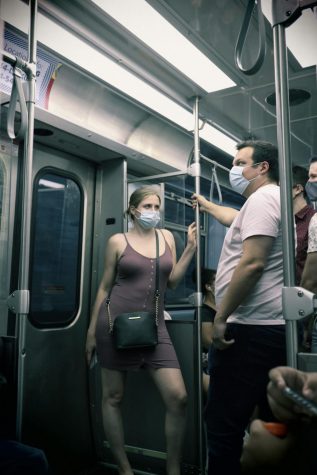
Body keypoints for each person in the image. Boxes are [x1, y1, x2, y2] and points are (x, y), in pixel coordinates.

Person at [85, 186, 196, 475]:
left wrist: (191, 250)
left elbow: (171, 283)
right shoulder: (117, 241)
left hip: (155, 328)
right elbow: (105, 287)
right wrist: (90, 333)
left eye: (157, 207)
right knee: (113, 397)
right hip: (113, 325)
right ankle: (125, 469)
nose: (154, 212)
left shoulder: (167, 237)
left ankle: (173, 469)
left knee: (178, 398)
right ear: (134, 209)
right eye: (148, 206)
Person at [202, 140, 286, 475]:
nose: (234, 170)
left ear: (262, 167)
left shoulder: (264, 198)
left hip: (249, 331)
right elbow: (234, 219)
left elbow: (252, 263)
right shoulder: (264, 202)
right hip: (262, 329)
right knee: (263, 422)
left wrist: (221, 316)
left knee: (223, 426)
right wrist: (207, 206)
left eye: (240, 163)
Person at [192, 268, 217, 395]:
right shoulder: (204, 312)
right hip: (208, 365)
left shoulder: (223, 309)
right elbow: (209, 341)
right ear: (208, 287)